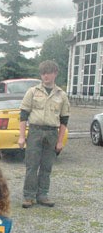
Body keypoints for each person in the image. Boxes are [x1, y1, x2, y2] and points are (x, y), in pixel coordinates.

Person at [18, 60, 70, 208]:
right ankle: (28, 196)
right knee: (31, 166)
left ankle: (42, 195)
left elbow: (64, 120)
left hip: (52, 133)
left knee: (47, 166)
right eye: (43, 73)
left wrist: (60, 141)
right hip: (35, 131)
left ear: (55, 74)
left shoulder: (61, 95)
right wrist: (22, 136)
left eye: (49, 73)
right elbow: (23, 115)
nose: (46, 76)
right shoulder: (32, 92)